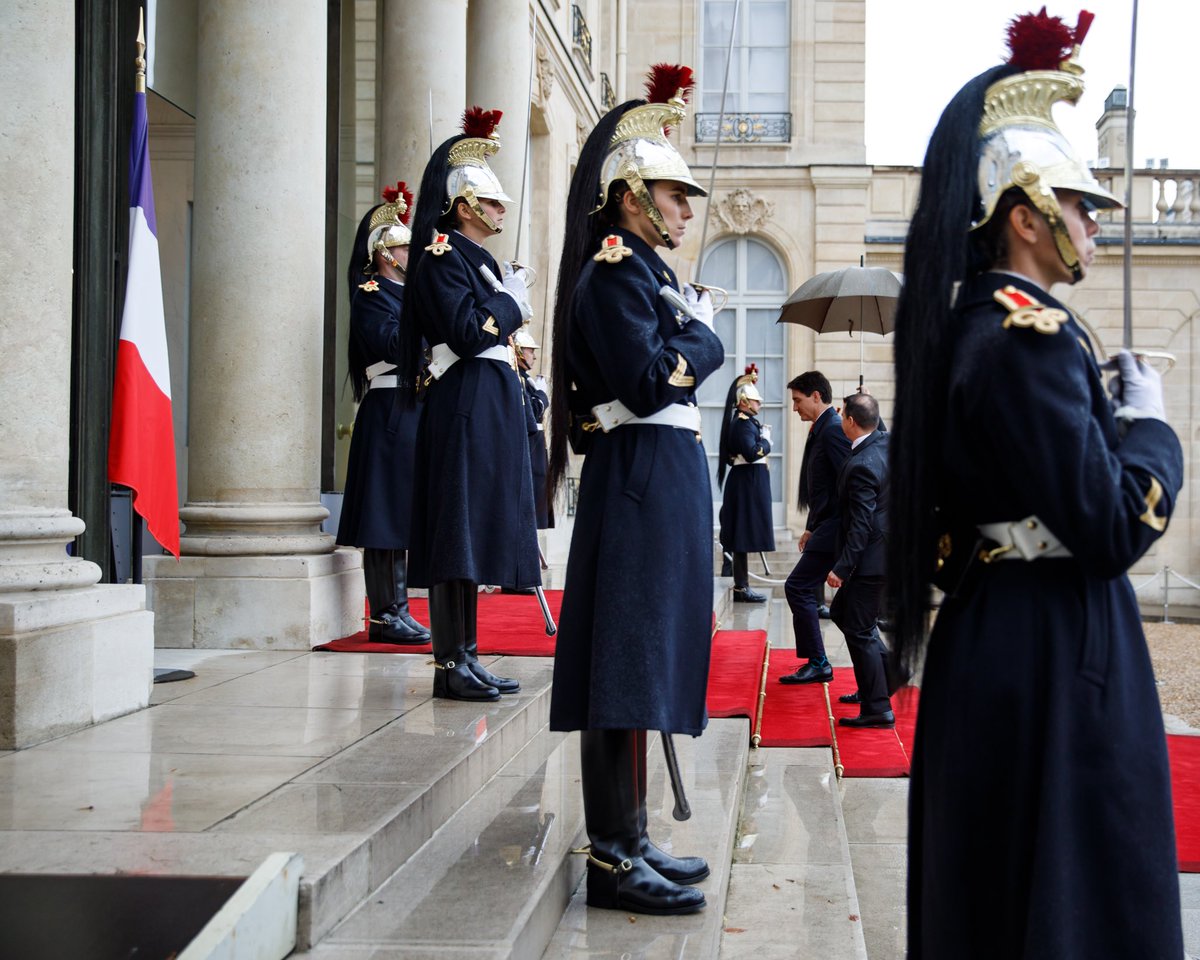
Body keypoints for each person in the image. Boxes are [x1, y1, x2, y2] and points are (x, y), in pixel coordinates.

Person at [888, 11, 1184, 958]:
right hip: (1055, 644)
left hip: (999, 630)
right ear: (1025, 215)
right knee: (1070, 897)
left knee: (999, 892)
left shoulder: (975, 326)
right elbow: (1110, 524)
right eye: (1079, 204)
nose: (1093, 221)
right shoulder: (1031, 336)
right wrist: (1153, 430)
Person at [545, 64, 724, 916]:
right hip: (640, 479)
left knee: (646, 656)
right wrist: (702, 333)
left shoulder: (650, 278)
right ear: (630, 198)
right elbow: (654, 383)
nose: (687, 208)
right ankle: (612, 858)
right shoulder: (618, 273)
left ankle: (634, 834)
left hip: (664, 476)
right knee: (624, 662)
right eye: (674, 194)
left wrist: (687, 320)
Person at [399, 107, 540, 702]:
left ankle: (469, 654)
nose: (503, 211)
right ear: (464, 206)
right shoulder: (439, 255)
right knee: (456, 535)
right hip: (464, 404)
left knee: (474, 532)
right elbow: (466, 332)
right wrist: (510, 304)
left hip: (489, 403)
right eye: (494, 203)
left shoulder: (476, 259)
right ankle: (448, 661)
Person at [336, 182, 429, 644]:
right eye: (405, 247)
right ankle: (383, 613)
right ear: (385, 253)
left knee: (401, 512)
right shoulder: (372, 293)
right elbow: (393, 344)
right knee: (384, 516)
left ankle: (399, 606)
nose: (413, 253)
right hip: (390, 406)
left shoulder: (408, 295)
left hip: (411, 406)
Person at [826, 392, 891, 726]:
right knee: (841, 612)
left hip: (871, 560)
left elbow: (861, 524)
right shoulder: (886, 443)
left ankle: (877, 706)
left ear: (850, 421)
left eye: (842, 416)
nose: (839, 420)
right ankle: (889, 672)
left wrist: (842, 567)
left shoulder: (862, 465)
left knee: (861, 629)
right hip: (886, 554)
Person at [779, 371, 848, 684]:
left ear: (816, 396)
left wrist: (838, 531)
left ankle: (819, 661)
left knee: (798, 586)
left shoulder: (832, 430)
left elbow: (849, 481)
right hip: (825, 525)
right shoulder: (822, 428)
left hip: (835, 527)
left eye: (798, 400)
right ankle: (889, 668)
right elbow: (821, 487)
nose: (795, 408)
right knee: (852, 608)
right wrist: (809, 526)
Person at [717, 365, 775, 602]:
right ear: (743, 402)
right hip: (746, 482)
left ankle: (742, 585)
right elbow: (753, 453)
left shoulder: (748, 423)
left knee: (743, 534)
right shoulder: (742, 423)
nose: (759, 405)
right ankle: (741, 586)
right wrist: (766, 441)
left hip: (750, 482)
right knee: (741, 535)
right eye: (755, 401)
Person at [515, 326, 552, 529]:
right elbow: (532, 410)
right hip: (529, 444)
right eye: (531, 350)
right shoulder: (518, 377)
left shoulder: (526, 379)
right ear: (520, 350)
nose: (535, 357)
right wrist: (542, 396)